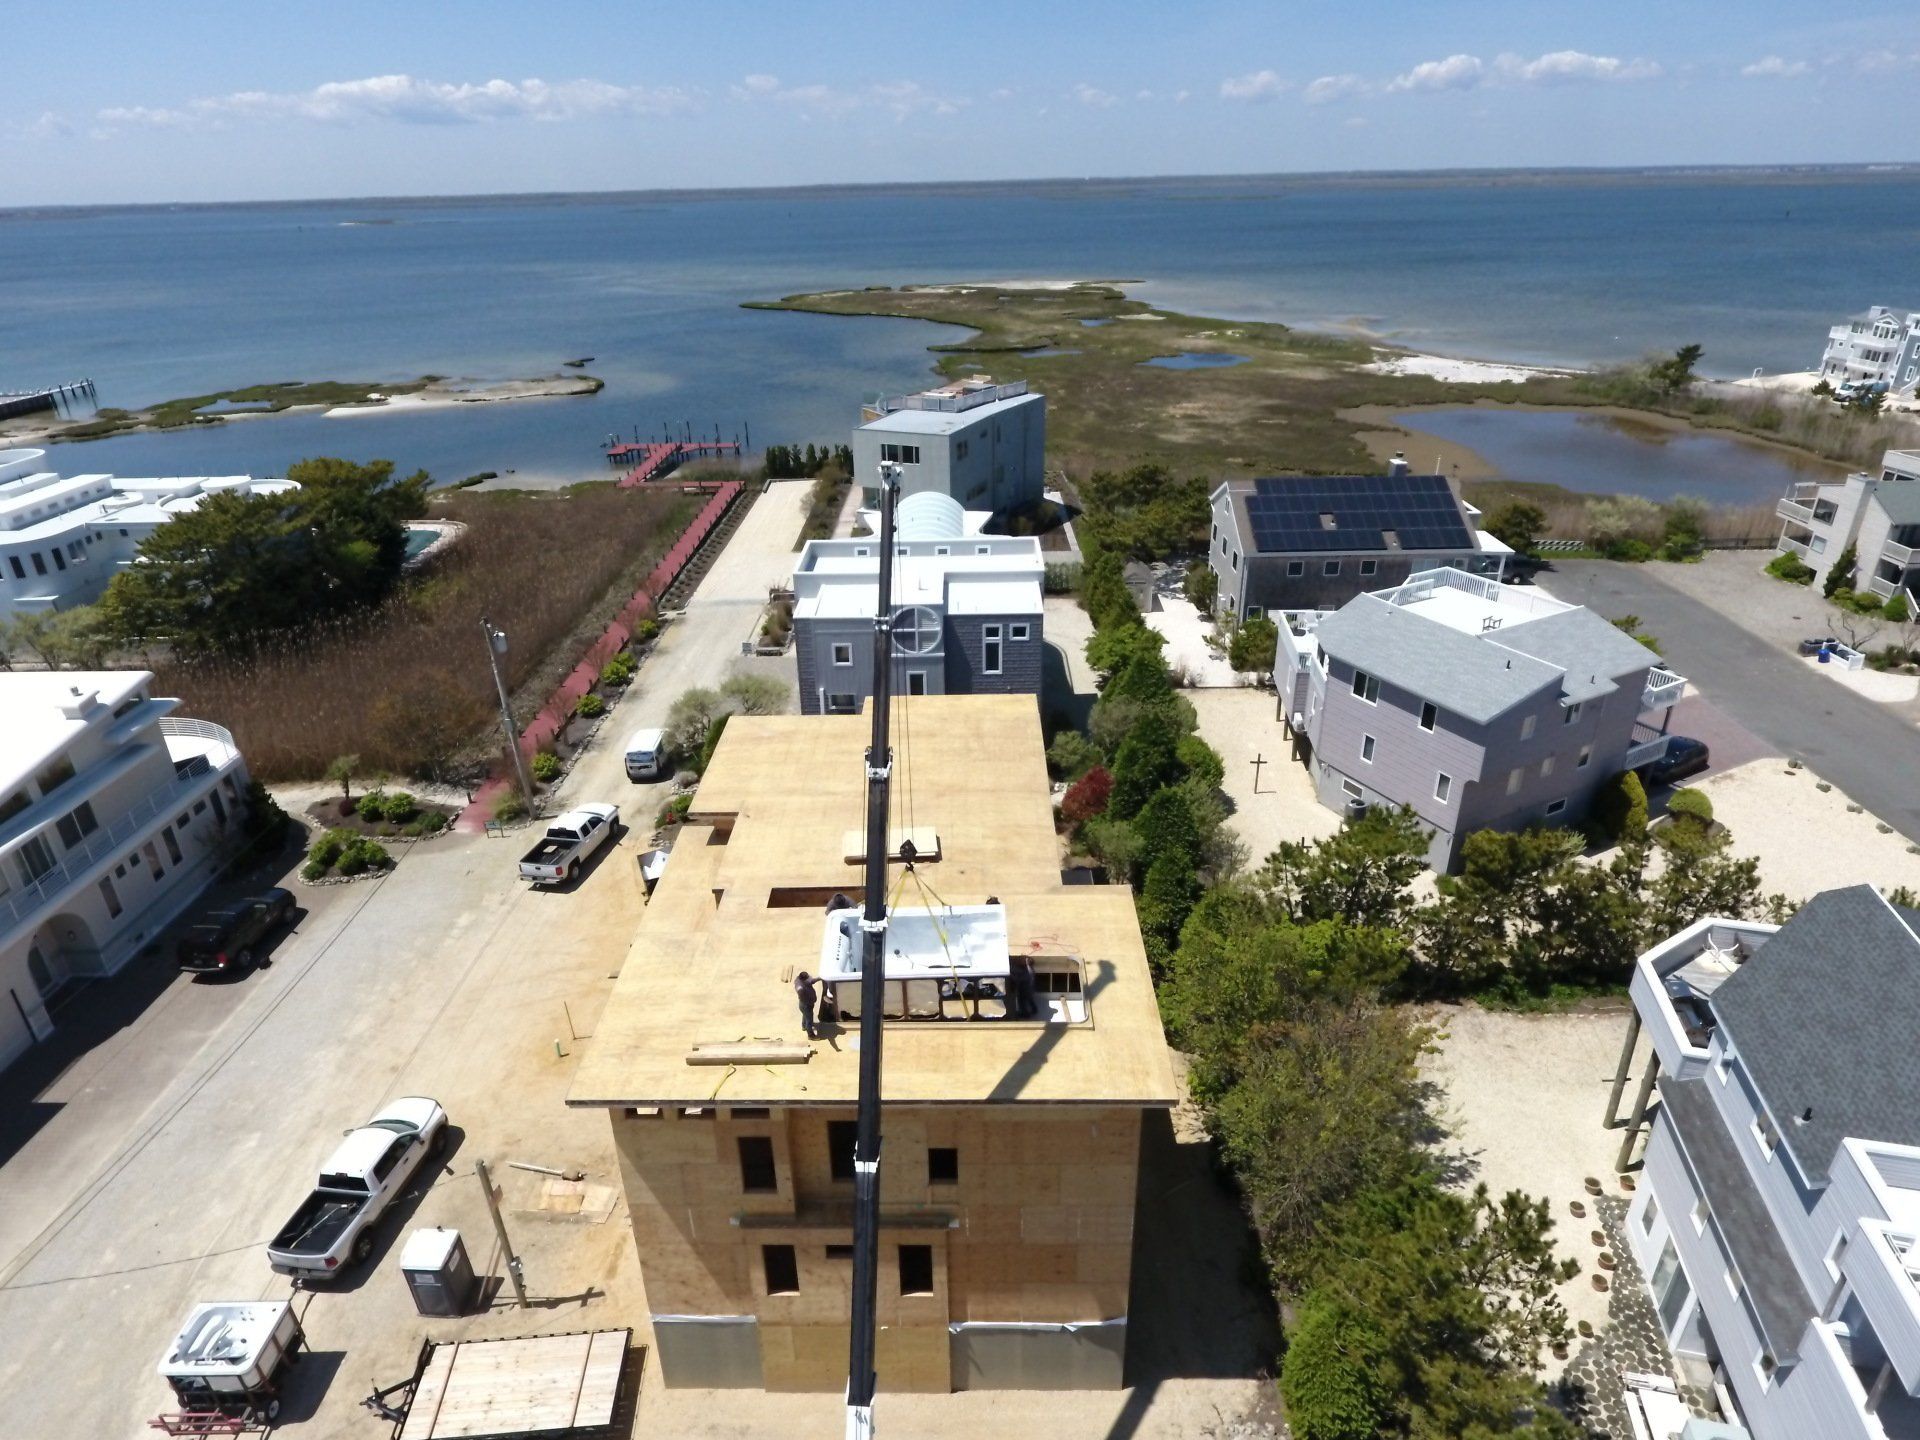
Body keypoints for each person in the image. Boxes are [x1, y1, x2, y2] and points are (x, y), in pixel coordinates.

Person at [1008, 954, 1039, 1020]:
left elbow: (1018, 980)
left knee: (1022, 1001)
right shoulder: (1030, 969)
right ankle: (1034, 1009)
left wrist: (1012, 979)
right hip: (1030, 987)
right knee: (1030, 999)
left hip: (1025, 989)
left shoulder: (1026, 972)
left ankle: (1025, 1014)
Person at [794, 970, 819, 1040]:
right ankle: (811, 1036)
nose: (809, 978)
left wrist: (820, 978)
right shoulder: (800, 987)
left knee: (805, 1015)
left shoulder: (801, 979)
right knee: (809, 1020)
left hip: (806, 1005)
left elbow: (811, 981)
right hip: (806, 1005)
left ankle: (804, 1026)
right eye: (808, 977)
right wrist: (809, 1002)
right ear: (804, 979)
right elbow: (800, 991)